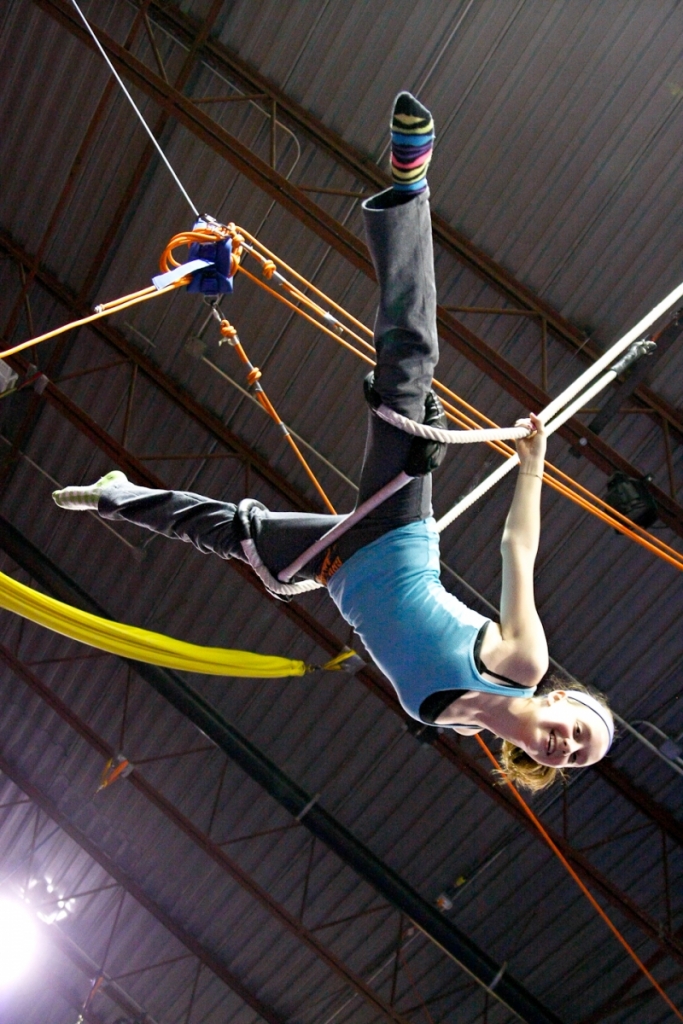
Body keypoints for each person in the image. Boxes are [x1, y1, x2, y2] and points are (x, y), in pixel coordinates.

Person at [53, 94, 614, 791]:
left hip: (336, 568)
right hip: (396, 529)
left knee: (229, 532)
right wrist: (533, 465)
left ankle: (116, 497)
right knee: (407, 366)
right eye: (579, 731)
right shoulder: (521, 663)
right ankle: (409, 188)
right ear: (561, 699)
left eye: (575, 757)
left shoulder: (455, 725)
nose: (566, 744)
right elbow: (515, 551)